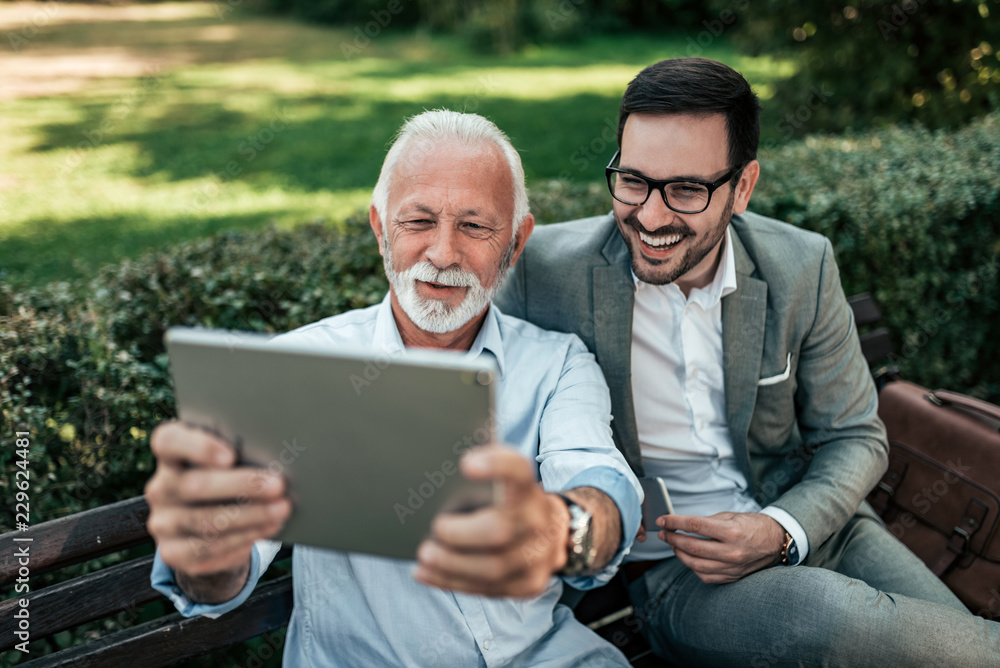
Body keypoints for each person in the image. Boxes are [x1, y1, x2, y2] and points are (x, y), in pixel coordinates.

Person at [494, 57, 1000, 666]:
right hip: (679, 575)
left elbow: (856, 434)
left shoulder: (801, 265)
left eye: (686, 189)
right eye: (632, 180)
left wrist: (783, 528)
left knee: (959, 643)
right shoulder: (545, 271)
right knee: (840, 622)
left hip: (819, 525)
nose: (651, 217)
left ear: (743, 187)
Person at [144, 109, 643, 667]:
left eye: (476, 227)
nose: (444, 254)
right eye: (418, 221)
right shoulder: (302, 368)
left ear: (516, 242)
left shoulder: (558, 364)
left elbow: (599, 479)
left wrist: (564, 528)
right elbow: (219, 575)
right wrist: (208, 553)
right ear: (381, 227)